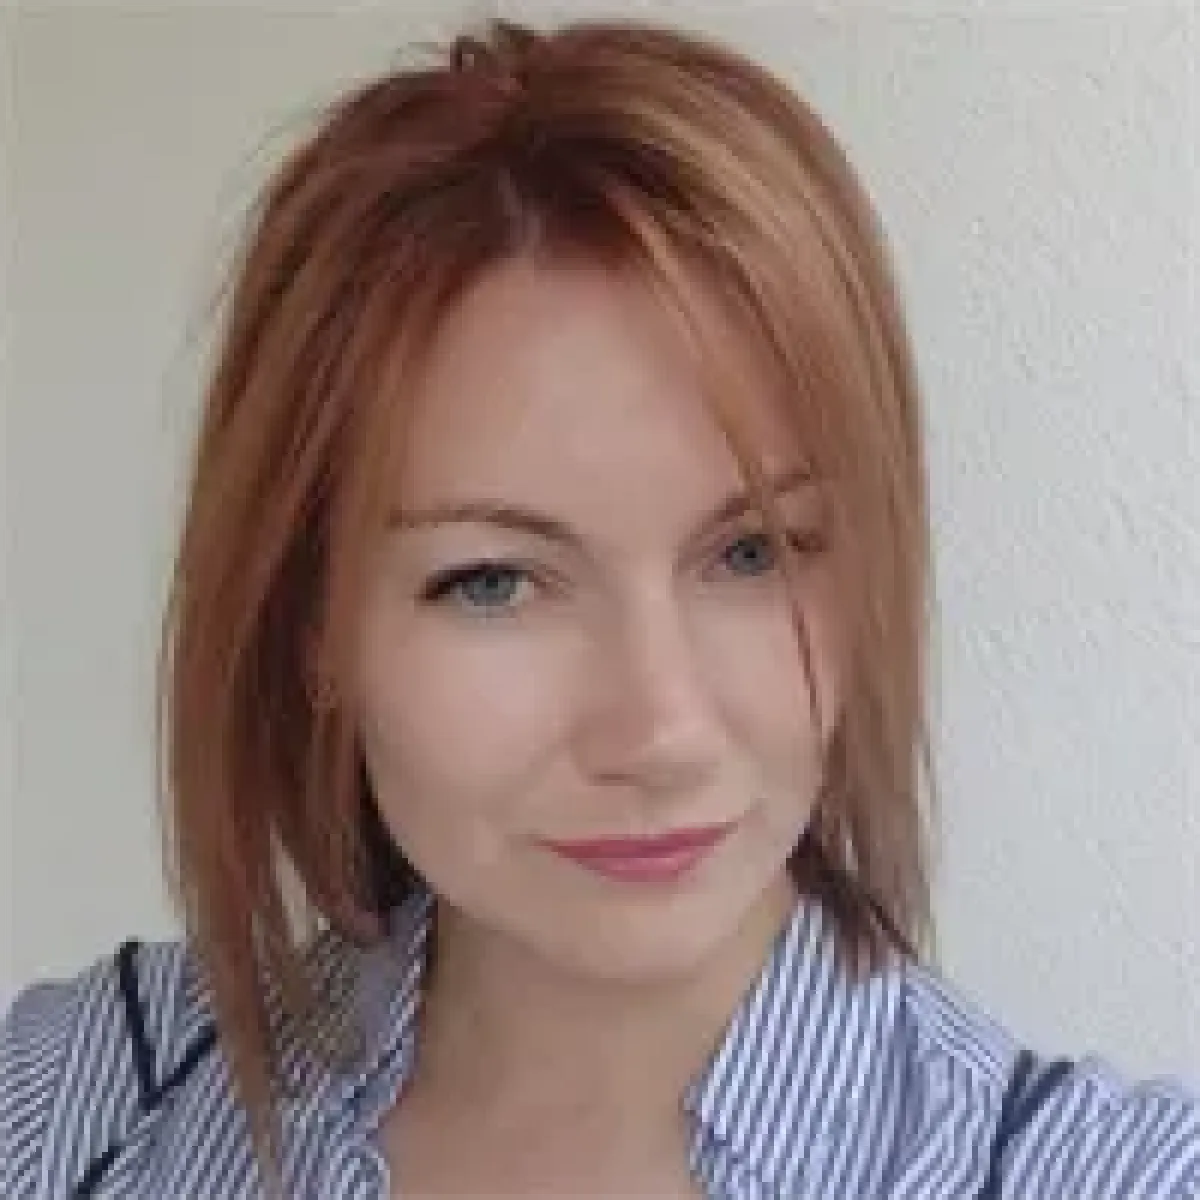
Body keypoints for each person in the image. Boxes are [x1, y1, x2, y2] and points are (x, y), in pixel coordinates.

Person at [2, 16, 1196, 1200]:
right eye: (494, 582)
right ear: (311, 619)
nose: (661, 732)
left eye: (751, 553)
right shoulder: (75, 1109)